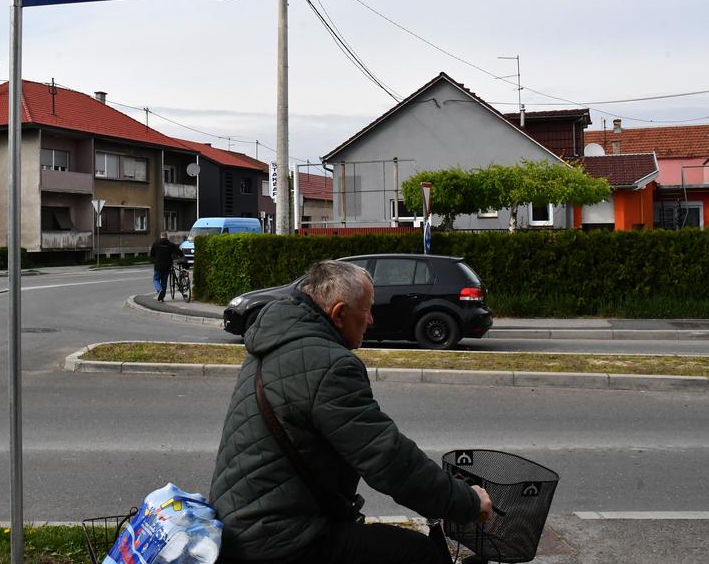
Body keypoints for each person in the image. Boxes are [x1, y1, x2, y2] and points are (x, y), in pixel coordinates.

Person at [209, 259, 491, 564]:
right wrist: (467, 502)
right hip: (277, 538)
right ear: (339, 313)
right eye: (366, 310)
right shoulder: (329, 365)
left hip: (242, 520)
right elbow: (387, 458)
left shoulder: (274, 341)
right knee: (418, 553)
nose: (370, 319)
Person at [149, 231, 183, 302]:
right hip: (167, 266)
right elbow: (178, 252)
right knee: (164, 281)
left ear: (161, 236)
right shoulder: (170, 244)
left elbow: (152, 254)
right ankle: (162, 297)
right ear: (167, 236)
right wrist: (182, 256)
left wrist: (155, 258)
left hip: (158, 266)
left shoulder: (155, 244)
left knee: (156, 279)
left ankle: (159, 290)